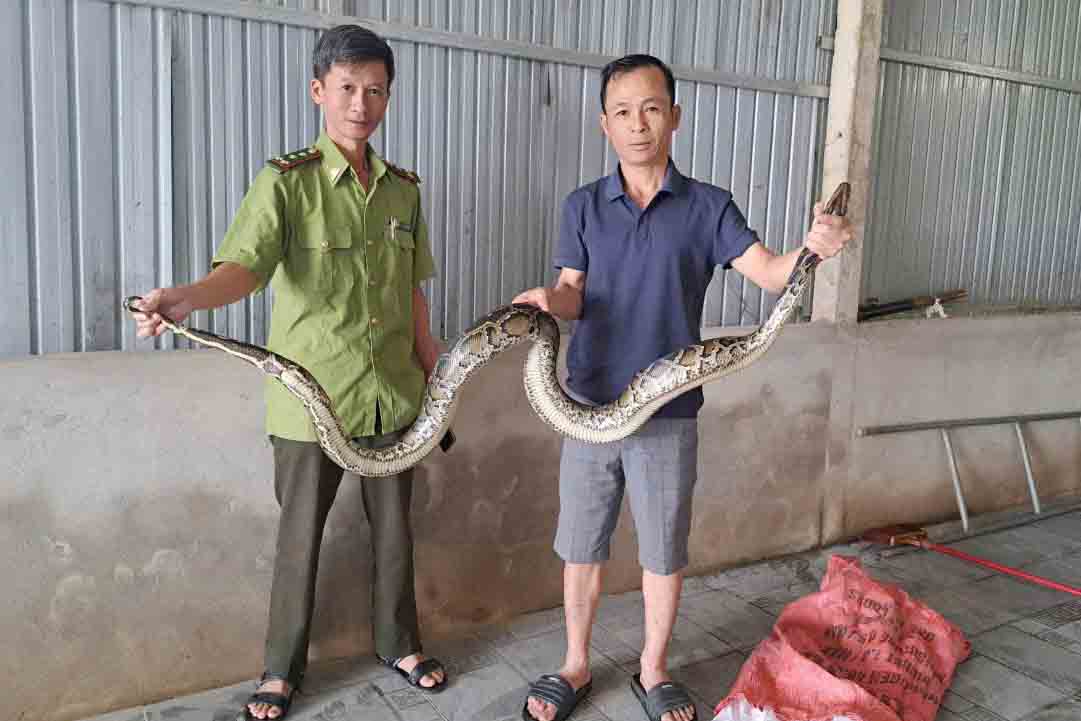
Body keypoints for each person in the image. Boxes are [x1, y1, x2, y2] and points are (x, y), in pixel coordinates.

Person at [514, 54, 854, 721]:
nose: (637, 124)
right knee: (580, 544)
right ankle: (575, 663)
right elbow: (574, 293)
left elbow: (768, 272)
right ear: (603, 124)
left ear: (674, 115)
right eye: (621, 111)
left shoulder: (707, 207)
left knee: (663, 548)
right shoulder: (582, 204)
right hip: (589, 405)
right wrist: (548, 300)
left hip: (669, 410)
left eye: (649, 108)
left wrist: (812, 247)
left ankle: (652, 668)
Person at [129, 24, 447, 721]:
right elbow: (242, 269)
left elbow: (413, 296)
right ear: (317, 91)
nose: (360, 103)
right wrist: (184, 296)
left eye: (375, 91)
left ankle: (399, 643)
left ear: (388, 99)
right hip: (312, 404)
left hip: (392, 398)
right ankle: (280, 670)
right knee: (298, 536)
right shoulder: (287, 181)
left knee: (396, 531)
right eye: (347, 88)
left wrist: (437, 384)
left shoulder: (403, 192)